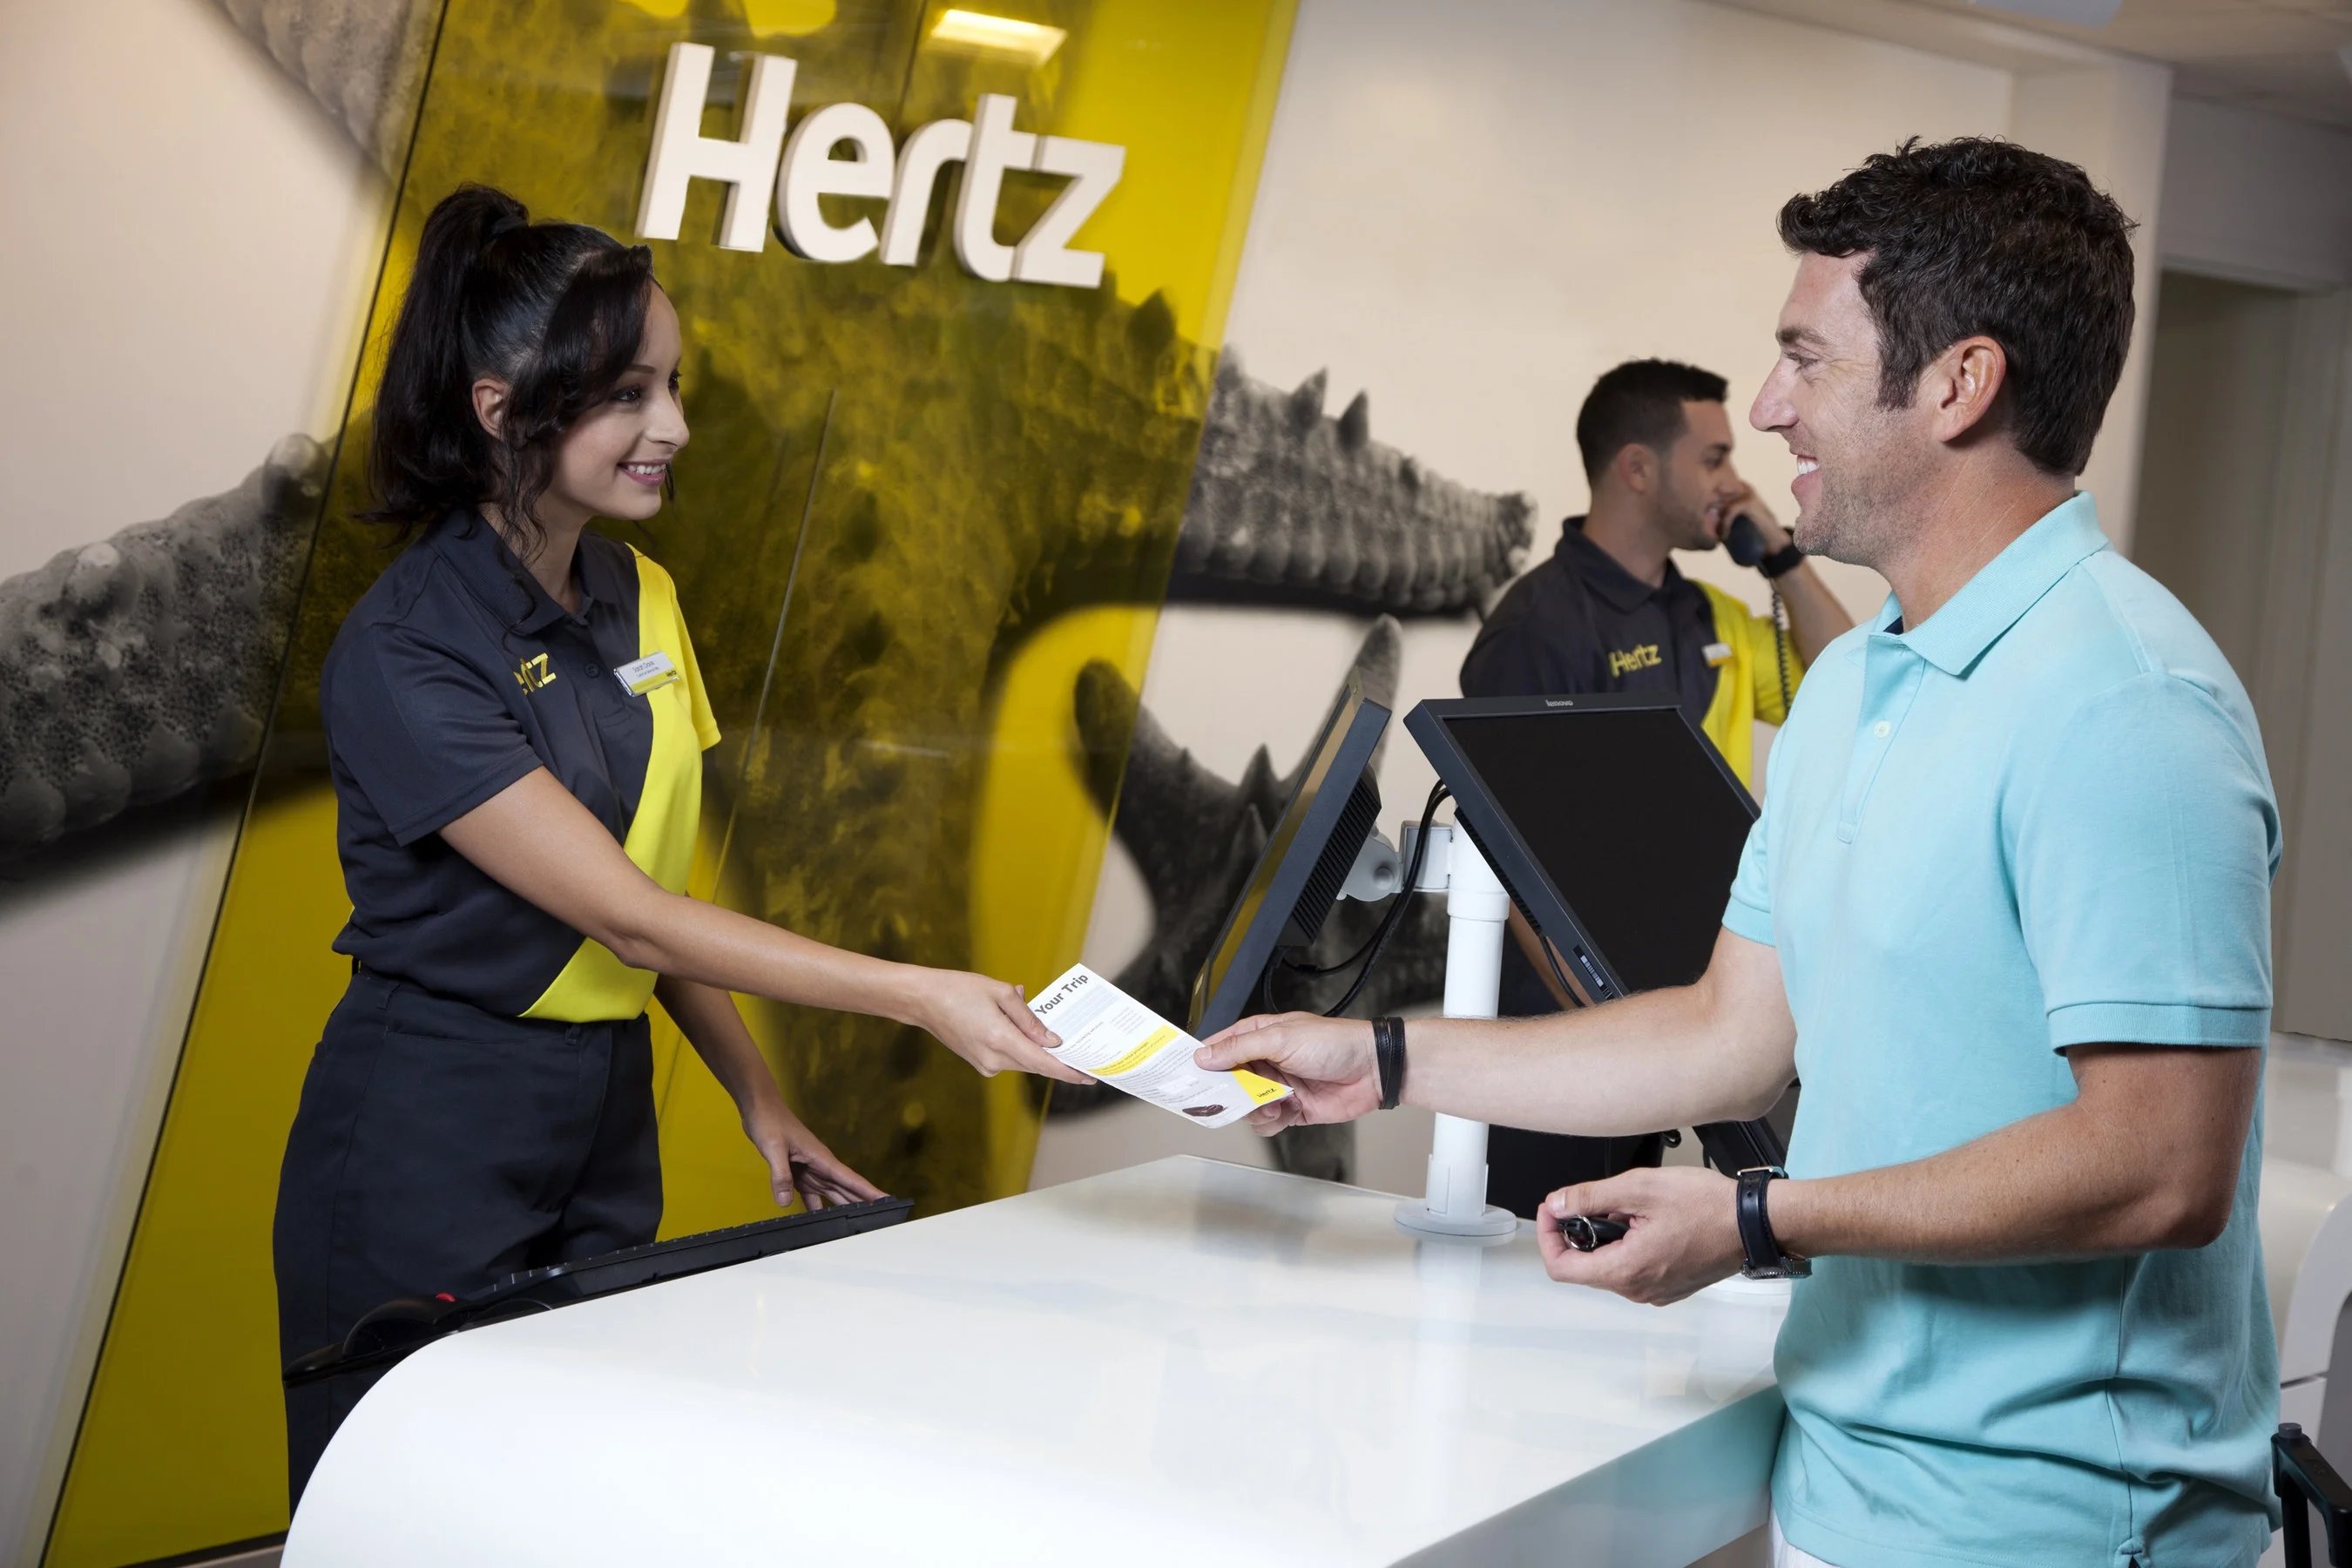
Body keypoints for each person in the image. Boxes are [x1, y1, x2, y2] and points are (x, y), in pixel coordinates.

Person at [1200, 138, 2280, 1568]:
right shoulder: (1856, 684)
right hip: (1833, 1482)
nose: (1770, 412)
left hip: (2059, 1531)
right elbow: (1727, 1033)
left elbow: (2159, 1168)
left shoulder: (2129, 705)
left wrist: (1760, 1218)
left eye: (1805, 361)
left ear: (1958, 384)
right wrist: (1388, 1059)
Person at [273, 185, 1087, 1504]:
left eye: (675, 385)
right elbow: (629, 920)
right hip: (432, 1117)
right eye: (633, 394)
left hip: (601, 1104)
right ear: (502, 410)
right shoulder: (409, 648)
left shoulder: (637, 593)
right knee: (406, 1513)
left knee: (561, 1501)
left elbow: (651, 898)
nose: (677, 427)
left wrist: (756, 1093)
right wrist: (917, 993)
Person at [1459, 358, 1853, 1216]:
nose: (1735, 480)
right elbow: (1506, 859)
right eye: (1712, 458)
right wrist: (1603, 1039)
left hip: (1694, 1010)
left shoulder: (1708, 616)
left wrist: (1779, 554)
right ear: (1638, 469)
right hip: (1567, 1038)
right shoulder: (1538, 627)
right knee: (1546, 1279)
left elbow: (1846, 688)